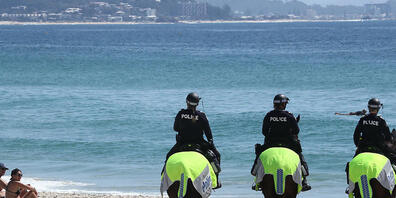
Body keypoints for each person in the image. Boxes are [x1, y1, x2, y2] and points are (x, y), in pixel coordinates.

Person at [252, 94, 311, 191]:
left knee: (259, 155)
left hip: (270, 143)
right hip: (289, 144)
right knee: (300, 156)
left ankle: (256, 177)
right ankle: (304, 180)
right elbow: (296, 131)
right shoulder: (289, 115)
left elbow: (264, 132)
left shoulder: (269, 115)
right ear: (283, 104)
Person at [165, 92, 221, 187]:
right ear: (197, 104)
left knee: (168, 157)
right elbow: (209, 134)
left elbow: (175, 128)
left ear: (187, 102)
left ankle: (164, 177)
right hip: (199, 144)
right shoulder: (202, 116)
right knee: (217, 156)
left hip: (182, 143)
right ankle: (216, 181)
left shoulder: (181, 113)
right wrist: (211, 144)